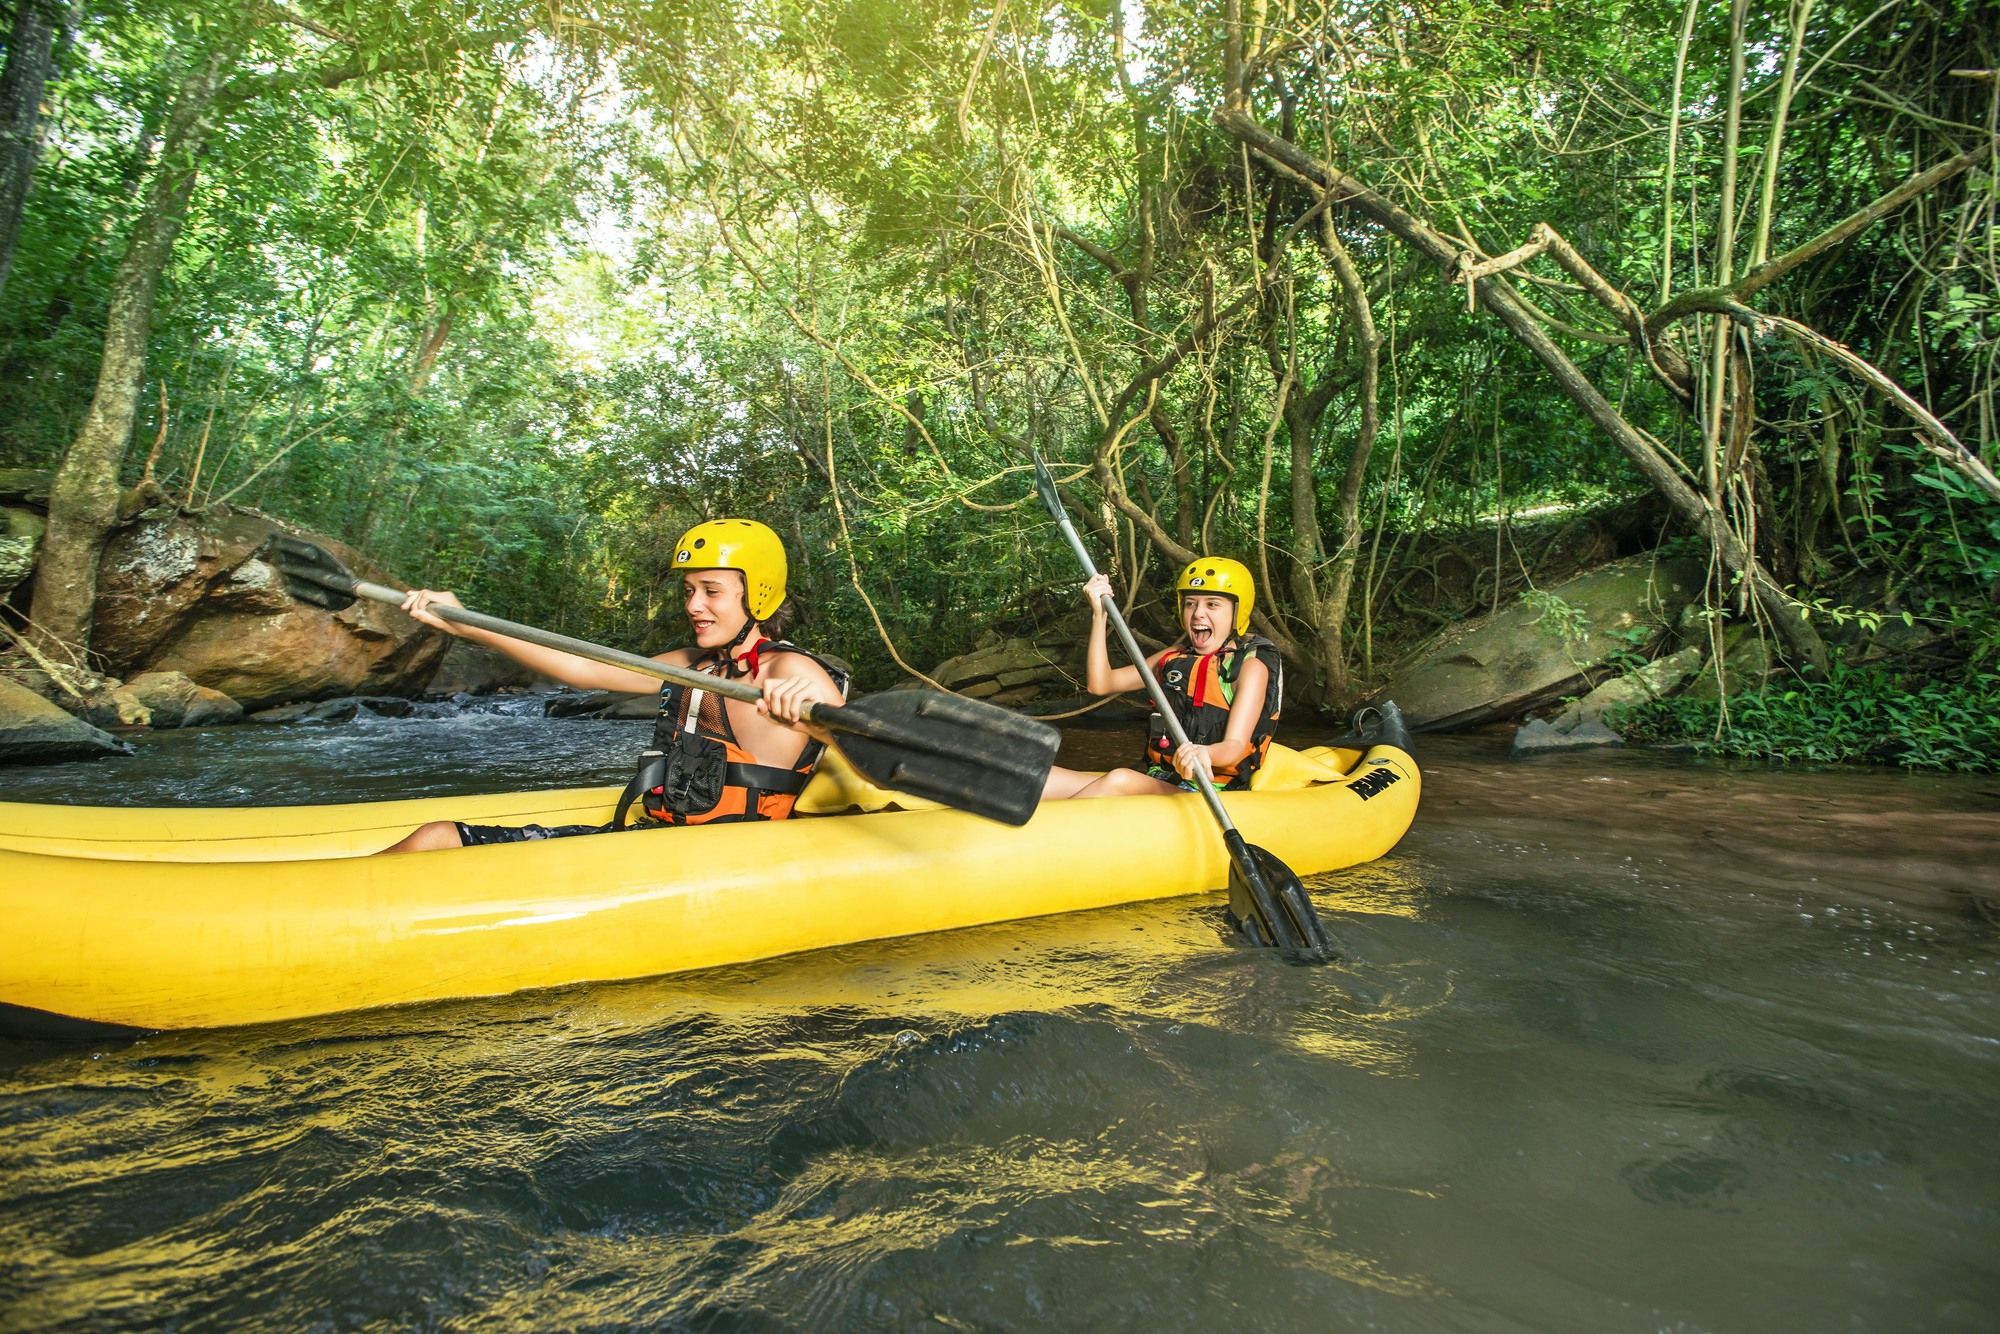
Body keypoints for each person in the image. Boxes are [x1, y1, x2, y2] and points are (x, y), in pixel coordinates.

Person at [382, 518, 847, 851]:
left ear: (758, 593)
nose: (693, 605)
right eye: (689, 591)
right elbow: (580, 668)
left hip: (730, 857)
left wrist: (820, 725)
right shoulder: (696, 666)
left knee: (436, 840)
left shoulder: (791, 672)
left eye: (712, 590)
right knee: (435, 837)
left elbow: (869, 756)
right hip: (664, 842)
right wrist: (467, 623)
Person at [1042, 556, 1283, 800]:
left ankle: (1056, 824)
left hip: (1209, 790)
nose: (1197, 613)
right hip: (1161, 779)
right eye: (1190, 604)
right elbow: (1101, 684)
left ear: (1237, 612)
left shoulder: (1249, 668)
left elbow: (1234, 747)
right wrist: (1099, 615)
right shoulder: (1173, 658)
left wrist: (1205, 753)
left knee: (1120, 779)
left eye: (1212, 604)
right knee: (1045, 777)